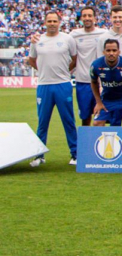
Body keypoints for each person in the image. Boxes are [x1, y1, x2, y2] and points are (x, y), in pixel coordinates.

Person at [27, 11, 78, 166]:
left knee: (68, 120)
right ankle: (39, 155)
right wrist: (43, 71)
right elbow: (32, 60)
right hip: (44, 85)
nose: (52, 24)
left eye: (54, 21)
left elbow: (74, 59)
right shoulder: (37, 40)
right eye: (49, 21)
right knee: (42, 122)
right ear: (45, 22)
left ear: (59, 22)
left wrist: (63, 72)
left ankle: (75, 154)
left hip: (63, 84)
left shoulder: (67, 39)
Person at [66, 6, 107, 127]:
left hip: (100, 82)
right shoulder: (74, 35)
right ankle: (86, 139)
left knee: (101, 118)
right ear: (81, 18)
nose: (87, 18)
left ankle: (100, 139)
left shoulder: (103, 34)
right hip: (83, 82)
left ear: (95, 18)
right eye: (84, 16)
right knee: (85, 118)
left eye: (90, 15)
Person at [89, 39, 122, 127]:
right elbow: (93, 82)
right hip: (106, 100)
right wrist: (98, 102)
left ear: (119, 52)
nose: (111, 53)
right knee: (97, 124)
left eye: (114, 50)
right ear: (104, 52)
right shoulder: (96, 65)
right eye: (108, 50)